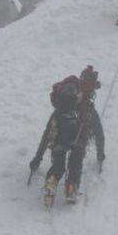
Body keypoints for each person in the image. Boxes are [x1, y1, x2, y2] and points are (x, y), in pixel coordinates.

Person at [29, 67, 106, 205]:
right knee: (75, 163)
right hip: (78, 138)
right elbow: (98, 131)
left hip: (60, 137)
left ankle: (51, 181)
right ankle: (71, 187)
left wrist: (37, 158)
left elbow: (47, 134)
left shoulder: (61, 107)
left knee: (58, 164)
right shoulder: (87, 105)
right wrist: (100, 153)